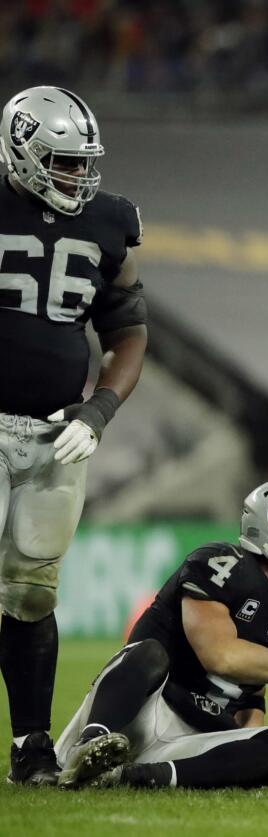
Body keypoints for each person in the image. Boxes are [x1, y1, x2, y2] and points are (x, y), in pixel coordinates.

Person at [0, 86, 147, 785]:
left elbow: (127, 332)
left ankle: (31, 746)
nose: (76, 179)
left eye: (81, 163)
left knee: (31, 591)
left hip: (53, 433)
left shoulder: (109, 221)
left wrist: (98, 411)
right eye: (61, 163)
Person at [53, 478, 268, 789]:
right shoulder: (221, 565)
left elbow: (252, 683)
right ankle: (90, 745)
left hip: (192, 732)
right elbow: (222, 656)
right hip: (139, 709)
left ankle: (133, 778)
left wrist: (254, 753)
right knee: (148, 653)